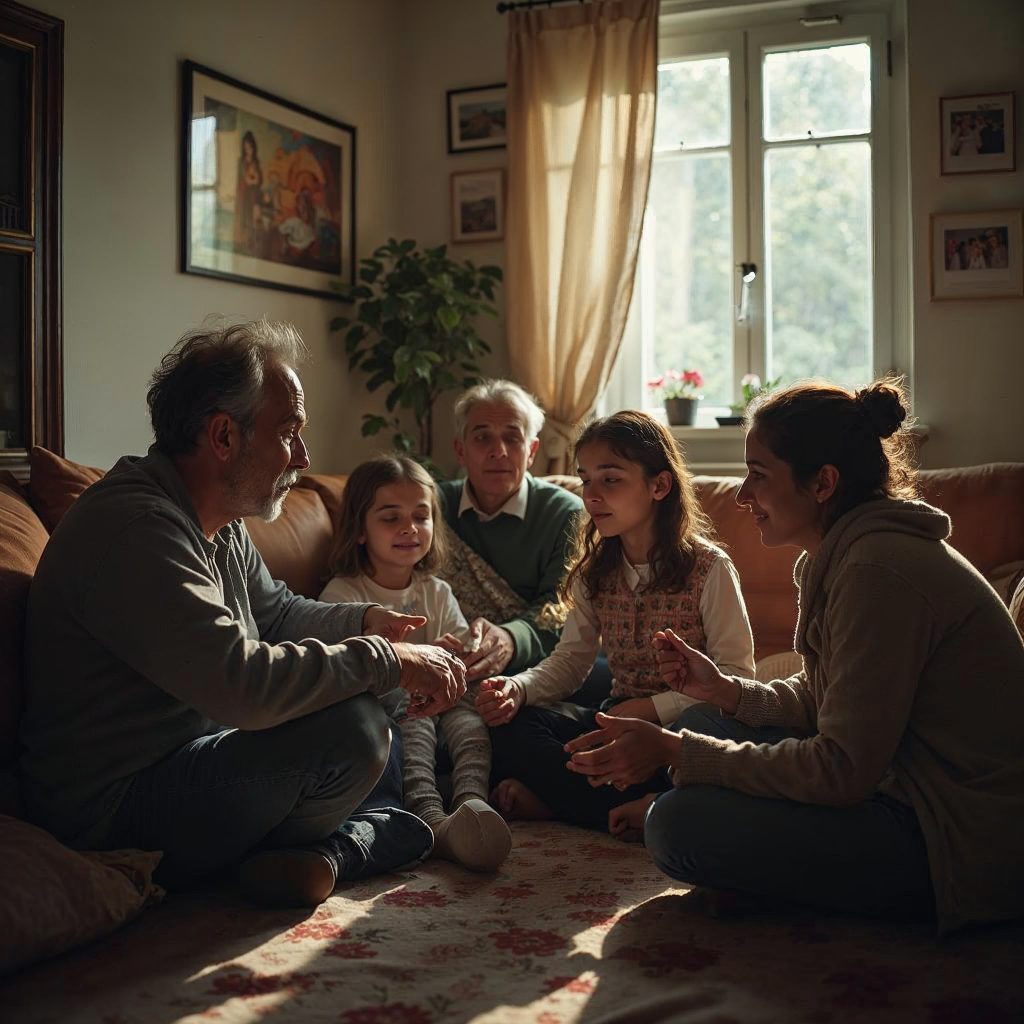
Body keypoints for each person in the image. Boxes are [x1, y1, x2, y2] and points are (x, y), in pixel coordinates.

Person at [18, 320, 466, 909]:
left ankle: (340, 844)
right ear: (224, 435)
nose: (304, 457)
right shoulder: (136, 530)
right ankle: (356, 841)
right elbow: (244, 685)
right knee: (355, 726)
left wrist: (365, 624)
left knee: (370, 696)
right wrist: (387, 660)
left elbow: (275, 615)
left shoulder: (216, 519)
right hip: (116, 806)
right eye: (290, 433)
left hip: (196, 759)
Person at [564, 378, 1024, 933]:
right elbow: (822, 698)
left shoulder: (878, 570)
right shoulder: (839, 556)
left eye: (757, 474)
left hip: (952, 833)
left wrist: (676, 751)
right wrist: (726, 691)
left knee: (677, 825)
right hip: (894, 781)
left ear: (823, 483)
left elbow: (841, 769)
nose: (740, 496)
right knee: (711, 718)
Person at [478, 411, 755, 834]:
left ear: (659, 485)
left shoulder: (709, 568)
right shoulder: (595, 572)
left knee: (705, 751)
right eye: (585, 479)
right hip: (616, 720)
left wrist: (650, 710)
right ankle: (627, 805)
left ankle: (579, 802)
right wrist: (518, 687)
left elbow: (737, 678)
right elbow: (571, 661)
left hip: (682, 731)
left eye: (610, 479)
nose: (591, 495)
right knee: (512, 726)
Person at [320, 455, 511, 872]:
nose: (410, 528)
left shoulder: (436, 591)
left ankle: (471, 802)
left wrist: (457, 653)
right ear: (359, 530)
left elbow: (461, 657)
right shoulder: (344, 594)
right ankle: (428, 814)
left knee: (471, 716)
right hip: (396, 709)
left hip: (447, 703)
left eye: (421, 517)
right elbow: (340, 669)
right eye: (391, 518)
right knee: (416, 716)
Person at [436, 380, 600, 691]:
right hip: (450, 660)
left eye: (512, 438)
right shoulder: (431, 509)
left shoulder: (566, 513)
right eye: (482, 438)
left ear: (531, 451)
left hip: (538, 665)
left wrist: (510, 639)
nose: (498, 452)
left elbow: (563, 607)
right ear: (461, 450)